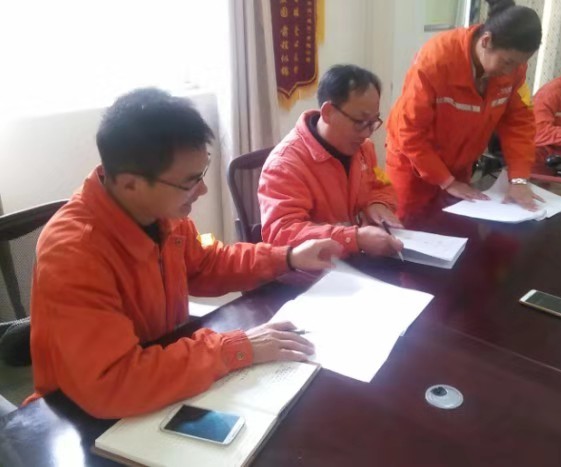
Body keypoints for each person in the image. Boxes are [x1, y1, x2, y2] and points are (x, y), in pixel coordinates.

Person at [25, 88, 342, 419]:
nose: (202, 190)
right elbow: (112, 383)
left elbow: (208, 263)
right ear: (131, 184)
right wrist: (235, 349)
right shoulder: (73, 253)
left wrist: (288, 257)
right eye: (190, 181)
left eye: (202, 173)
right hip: (79, 416)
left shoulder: (164, 217)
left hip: (162, 376)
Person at [385, 0, 543, 225]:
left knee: (457, 228)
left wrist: (519, 179)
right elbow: (410, 132)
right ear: (486, 41)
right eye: (508, 62)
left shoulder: (514, 69)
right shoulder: (436, 60)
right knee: (409, 230)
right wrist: (446, 181)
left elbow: (519, 123)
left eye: (520, 64)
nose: (511, 71)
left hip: (460, 165)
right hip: (413, 166)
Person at [259, 65, 403, 257]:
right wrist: (353, 238)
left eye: (373, 122)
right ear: (327, 112)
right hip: (314, 269)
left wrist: (378, 204)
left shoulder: (364, 149)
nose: (367, 133)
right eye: (360, 122)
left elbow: (381, 185)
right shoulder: (285, 164)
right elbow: (282, 233)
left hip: (357, 259)